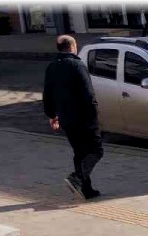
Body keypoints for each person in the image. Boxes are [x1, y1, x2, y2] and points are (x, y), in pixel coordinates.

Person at [43, 35, 103, 199]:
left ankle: (86, 189)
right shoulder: (77, 65)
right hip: (84, 117)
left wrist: (52, 115)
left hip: (66, 118)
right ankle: (77, 177)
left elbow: (47, 93)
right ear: (73, 46)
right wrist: (94, 114)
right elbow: (88, 93)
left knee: (80, 152)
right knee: (96, 150)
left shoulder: (52, 66)